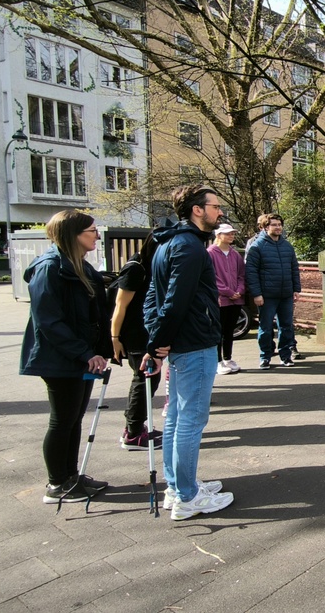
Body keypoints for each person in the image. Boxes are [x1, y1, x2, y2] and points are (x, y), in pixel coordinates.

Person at [143, 184, 234, 521]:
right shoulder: (190, 247)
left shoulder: (169, 242)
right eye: (215, 206)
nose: (219, 212)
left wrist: (156, 340)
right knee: (190, 420)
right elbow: (173, 300)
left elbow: (152, 297)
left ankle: (177, 486)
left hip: (183, 343)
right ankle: (187, 496)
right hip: (195, 344)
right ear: (198, 209)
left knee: (177, 418)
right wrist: (158, 341)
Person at [19, 210, 111, 505]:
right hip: (61, 358)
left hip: (82, 357)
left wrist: (99, 350)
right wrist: (84, 353)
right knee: (62, 420)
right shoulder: (49, 268)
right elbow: (48, 321)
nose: (97, 236)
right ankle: (57, 483)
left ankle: (72, 476)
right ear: (73, 235)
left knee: (74, 418)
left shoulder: (80, 265)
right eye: (92, 231)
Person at [110, 231, 163, 451]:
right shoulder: (136, 268)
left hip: (145, 331)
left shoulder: (149, 266)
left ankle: (135, 427)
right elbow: (120, 305)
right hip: (135, 334)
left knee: (147, 379)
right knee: (144, 380)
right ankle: (133, 433)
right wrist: (114, 337)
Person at [245, 213, 301, 370]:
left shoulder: (287, 246)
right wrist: (256, 294)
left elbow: (294, 268)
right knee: (266, 328)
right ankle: (265, 357)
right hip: (267, 295)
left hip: (286, 294)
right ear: (265, 227)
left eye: (279, 224)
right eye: (274, 225)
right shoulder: (257, 246)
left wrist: (296, 289)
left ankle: (286, 356)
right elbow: (251, 272)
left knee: (286, 326)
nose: (278, 227)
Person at [208, 223, 246, 375]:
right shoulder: (210, 253)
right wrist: (228, 291)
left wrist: (239, 290)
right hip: (220, 300)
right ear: (218, 235)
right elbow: (211, 277)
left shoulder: (235, 254)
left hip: (235, 300)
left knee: (230, 330)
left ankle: (228, 358)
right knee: (218, 331)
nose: (231, 236)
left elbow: (241, 275)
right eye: (228, 233)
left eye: (232, 233)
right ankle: (217, 361)